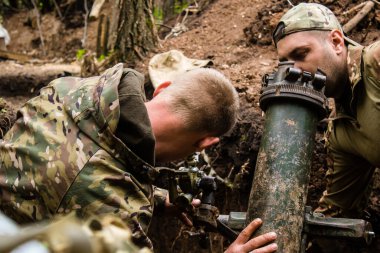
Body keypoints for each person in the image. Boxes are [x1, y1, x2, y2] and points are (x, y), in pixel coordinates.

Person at [0, 64, 277, 253]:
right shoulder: (121, 211)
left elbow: (78, 163)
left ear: (161, 87)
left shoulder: (67, 89)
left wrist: (155, 197)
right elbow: (92, 184)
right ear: (206, 143)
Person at [273, 2, 380, 250]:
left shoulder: (376, 63)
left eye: (301, 55)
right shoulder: (341, 133)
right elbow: (337, 212)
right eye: (284, 63)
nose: (293, 71)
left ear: (335, 42)